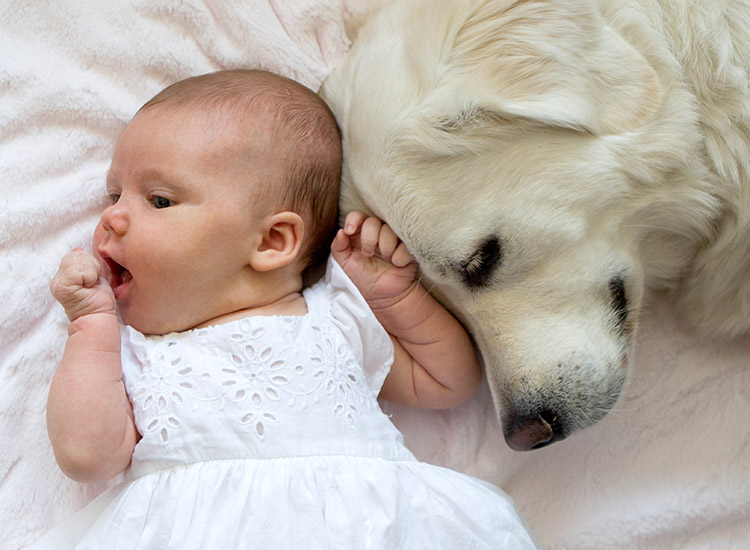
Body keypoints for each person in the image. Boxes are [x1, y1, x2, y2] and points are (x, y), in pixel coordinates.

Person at [35, 69, 537, 549]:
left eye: (159, 200)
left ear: (274, 240)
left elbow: (449, 383)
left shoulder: (337, 318)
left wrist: (397, 300)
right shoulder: (131, 353)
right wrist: (91, 323)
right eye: (114, 194)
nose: (112, 217)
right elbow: (86, 456)